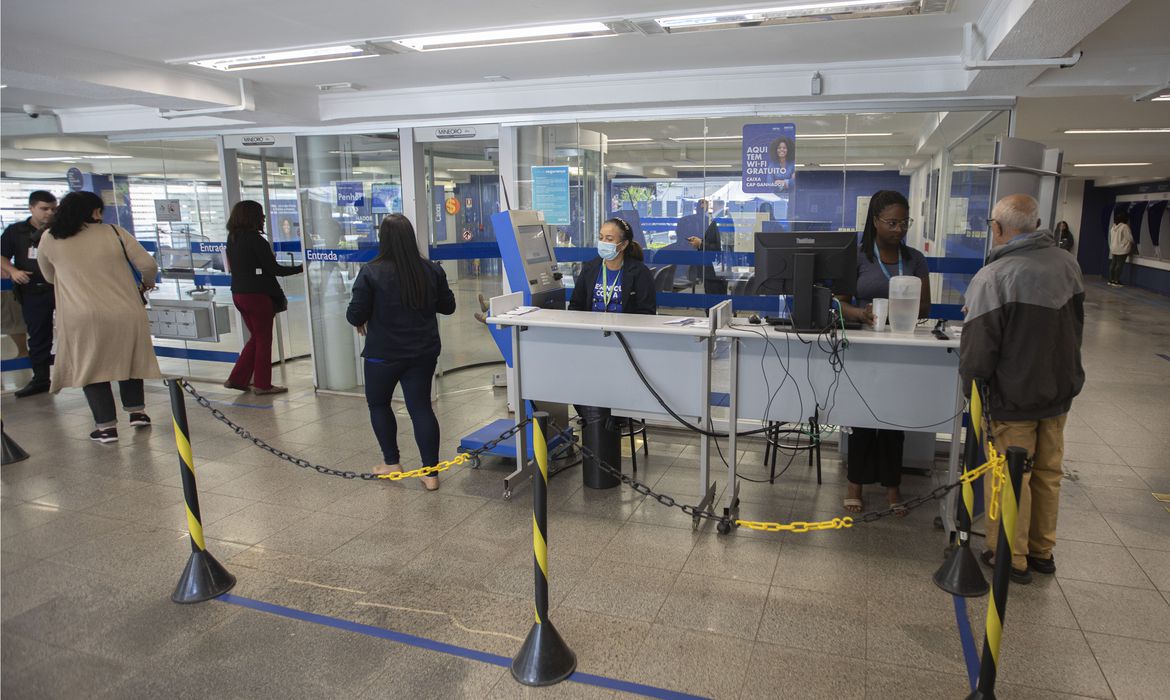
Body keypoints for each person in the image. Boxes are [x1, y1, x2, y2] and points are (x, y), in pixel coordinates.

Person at [961, 194, 1084, 585]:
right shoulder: (1068, 264)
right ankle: (1041, 551)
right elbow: (1076, 326)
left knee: (1010, 475)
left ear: (997, 228)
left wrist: (973, 394)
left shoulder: (995, 276)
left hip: (1013, 395)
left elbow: (979, 349)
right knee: (1048, 472)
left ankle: (1009, 556)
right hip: (1058, 389)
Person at [35, 191, 161, 443]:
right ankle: (137, 412)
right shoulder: (114, 232)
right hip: (125, 310)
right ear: (93, 211)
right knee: (130, 358)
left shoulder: (50, 237)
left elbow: (48, 275)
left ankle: (106, 428)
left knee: (91, 366)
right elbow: (148, 265)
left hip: (80, 314)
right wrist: (146, 284)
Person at [838, 190, 932, 515]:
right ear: (875, 221)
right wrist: (860, 314)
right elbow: (839, 301)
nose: (899, 229)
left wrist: (900, 310)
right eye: (892, 222)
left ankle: (893, 488)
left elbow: (926, 305)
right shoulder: (858, 257)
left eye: (904, 222)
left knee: (894, 420)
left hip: (901, 348)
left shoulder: (915, 258)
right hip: (864, 348)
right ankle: (855, 485)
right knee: (862, 418)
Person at [346, 214, 456, 491]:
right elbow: (448, 306)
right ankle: (431, 473)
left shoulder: (371, 272)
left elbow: (354, 314)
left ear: (383, 239)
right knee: (420, 407)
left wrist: (365, 317)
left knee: (379, 404)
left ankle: (392, 463)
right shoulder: (431, 270)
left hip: (383, 353)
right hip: (422, 352)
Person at [224, 200, 303, 395]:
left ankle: (237, 378)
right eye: (261, 215)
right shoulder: (256, 240)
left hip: (239, 294)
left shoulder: (233, 239)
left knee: (256, 338)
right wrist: (302, 268)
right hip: (258, 297)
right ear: (253, 217)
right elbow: (275, 270)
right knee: (263, 340)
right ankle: (262, 384)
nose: (264, 219)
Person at [1, 190, 58, 397]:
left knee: (77, 331)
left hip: (62, 288)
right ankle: (41, 379)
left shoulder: (60, 229)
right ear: (31, 208)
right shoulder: (16, 231)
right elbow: (2, 256)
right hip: (34, 290)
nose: (49, 212)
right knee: (39, 336)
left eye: (53, 208)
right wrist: (13, 271)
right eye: (44, 208)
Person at [569, 217, 657, 315]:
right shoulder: (590, 268)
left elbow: (647, 312)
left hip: (624, 328)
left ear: (623, 245)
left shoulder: (640, 272)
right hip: (593, 328)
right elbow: (575, 305)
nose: (603, 242)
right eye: (601, 238)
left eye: (609, 239)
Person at [686, 199, 727, 295]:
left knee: (714, 297)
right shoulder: (704, 221)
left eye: (703, 206)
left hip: (713, 268)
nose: (702, 209)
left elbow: (716, 247)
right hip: (709, 268)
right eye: (699, 206)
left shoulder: (715, 222)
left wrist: (700, 243)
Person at [1107, 210, 1134, 287]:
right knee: (1119, 265)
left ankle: (1110, 280)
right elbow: (1129, 238)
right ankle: (1116, 281)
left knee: (1113, 264)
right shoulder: (1124, 227)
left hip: (1114, 248)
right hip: (1122, 249)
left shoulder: (1113, 227)